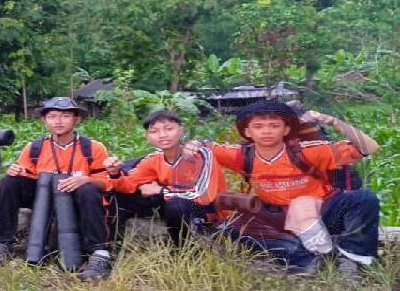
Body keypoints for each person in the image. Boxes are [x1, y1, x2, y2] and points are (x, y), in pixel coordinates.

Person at [184, 100, 380, 276]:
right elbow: (204, 147)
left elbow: (369, 147)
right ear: (247, 132)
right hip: (279, 218)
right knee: (230, 229)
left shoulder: (308, 151)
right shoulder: (242, 155)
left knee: (364, 199)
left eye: (274, 126)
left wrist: (333, 121)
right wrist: (193, 145)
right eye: (258, 126)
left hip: (324, 212)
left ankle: (351, 260)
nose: (266, 131)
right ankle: (308, 259)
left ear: (286, 130)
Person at [0, 97, 112, 282]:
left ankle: (99, 253)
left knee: (89, 189)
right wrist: (16, 171)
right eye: (52, 116)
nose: (58, 121)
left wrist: (86, 179)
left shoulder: (92, 148)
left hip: (77, 198)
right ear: (44, 120)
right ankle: (2, 242)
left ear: (76, 119)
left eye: (65, 116)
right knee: (9, 182)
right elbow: (25, 175)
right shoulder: (34, 148)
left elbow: (108, 182)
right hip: (42, 197)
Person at [104, 110, 227, 244]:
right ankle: (111, 246)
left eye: (169, 129)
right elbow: (128, 185)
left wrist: (160, 191)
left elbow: (203, 195)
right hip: (175, 207)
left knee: (176, 203)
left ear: (181, 130)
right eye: (154, 131)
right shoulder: (153, 159)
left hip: (207, 213)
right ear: (148, 136)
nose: (162, 135)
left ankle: (185, 249)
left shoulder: (201, 154)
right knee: (118, 197)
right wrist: (115, 173)